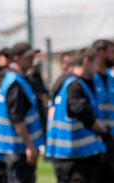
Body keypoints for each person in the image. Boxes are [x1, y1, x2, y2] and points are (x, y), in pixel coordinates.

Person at [45, 48, 110, 183]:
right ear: (86, 62)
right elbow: (84, 114)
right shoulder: (73, 84)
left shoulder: (69, 81)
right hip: (74, 155)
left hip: (71, 153)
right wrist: (105, 131)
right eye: (96, 64)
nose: (97, 69)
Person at [0, 42, 44, 183]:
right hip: (17, 149)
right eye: (28, 56)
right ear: (15, 58)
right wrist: (29, 146)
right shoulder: (16, 82)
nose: (32, 59)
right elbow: (17, 118)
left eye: (33, 55)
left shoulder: (12, 78)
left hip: (14, 148)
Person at [91, 39, 114, 183]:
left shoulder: (111, 79)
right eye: (112, 52)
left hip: (110, 142)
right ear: (101, 53)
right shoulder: (89, 80)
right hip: (93, 142)